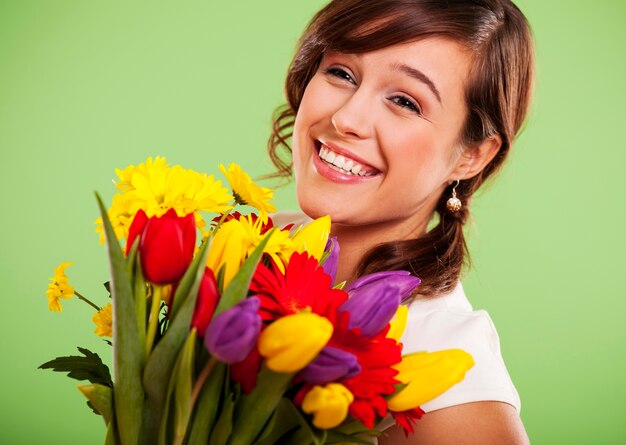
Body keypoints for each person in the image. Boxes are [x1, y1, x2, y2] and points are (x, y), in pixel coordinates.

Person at [268, 0, 534, 443]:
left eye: (405, 101)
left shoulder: (444, 364)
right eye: (341, 73)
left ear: (473, 155)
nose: (346, 118)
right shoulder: (248, 244)